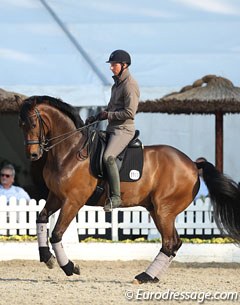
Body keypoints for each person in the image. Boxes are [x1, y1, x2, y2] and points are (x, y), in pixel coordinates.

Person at [86, 50, 140, 211]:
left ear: (124, 65)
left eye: (113, 65)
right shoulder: (116, 84)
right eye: (111, 65)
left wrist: (108, 114)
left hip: (124, 129)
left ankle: (115, 197)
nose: (111, 68)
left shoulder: (130, 84)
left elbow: (130, 113)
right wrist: (95, 118)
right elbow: (110, 108)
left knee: (108, 157)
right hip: (112, 128)